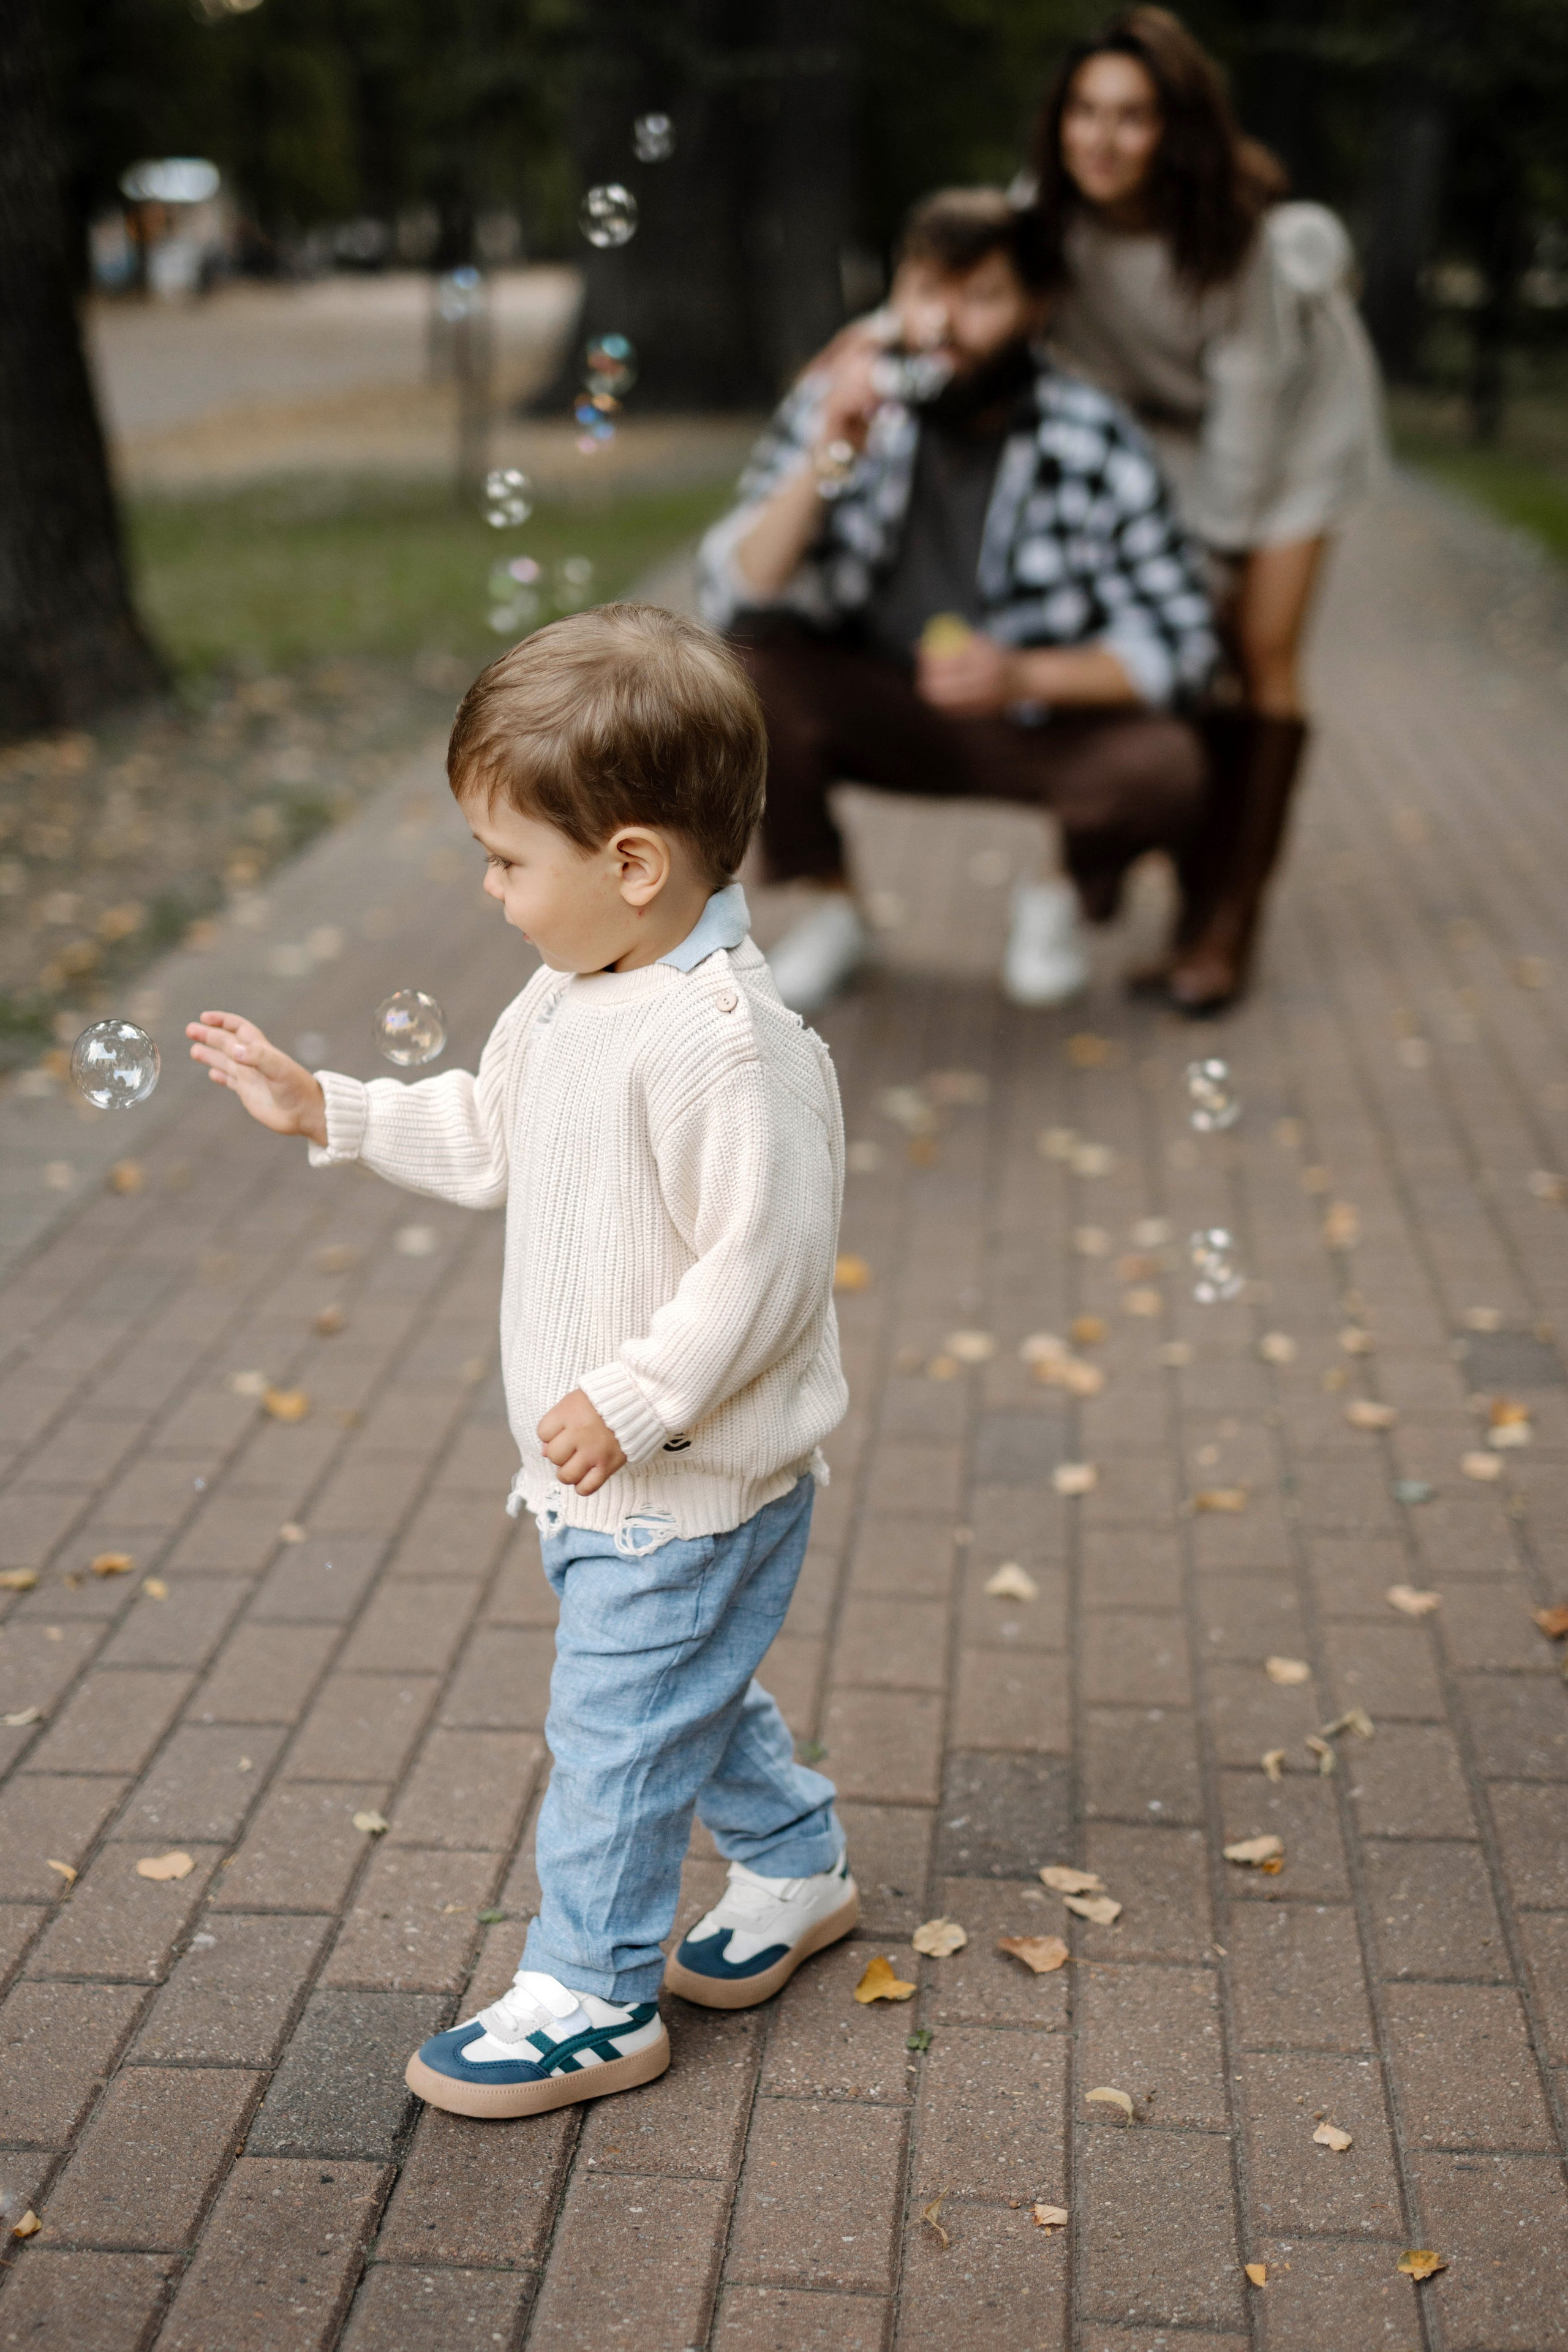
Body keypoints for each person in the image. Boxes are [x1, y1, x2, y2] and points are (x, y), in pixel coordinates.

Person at [186, 605, 860, 2120]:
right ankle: (797, 1866)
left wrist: (632, 1400)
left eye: (507, 860)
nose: (491, 896)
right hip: (602, 1478)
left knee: (613, 1728)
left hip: (686, 1480)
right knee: (679, 1690)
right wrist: (331, 1111)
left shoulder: (722, 1046)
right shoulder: (570, 993)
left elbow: (761, 1271)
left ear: (631, 863)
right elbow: (494, 1132)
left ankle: (589, 1993)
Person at [698, 186, 1219, 1017]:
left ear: (1037, 309)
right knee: (733, 667)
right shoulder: (849, 401)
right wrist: (830, 451)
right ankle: (833, 909)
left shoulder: (1093, 437)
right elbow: (737, 583)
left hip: (1027, 723)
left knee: (1168, 765)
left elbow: (1185, 643)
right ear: (893, 298)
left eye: (982, 298)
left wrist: (1024, 676)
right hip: (876, 701)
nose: (947, 324)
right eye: (928, 292)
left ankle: (1056, 898)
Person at [1029, 6, 1385, 1012]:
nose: (1101, 139)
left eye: (1132, 116)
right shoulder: (1045, 218)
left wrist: (1221, 562)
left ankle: (1223, 924)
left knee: (1256, 651)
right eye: (1084, 111)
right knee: (1150, 642)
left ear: (1175, 129)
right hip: (1168, 427)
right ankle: (1124, 853)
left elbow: (1251, 413)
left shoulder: (1236, 240)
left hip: (1295, 421)